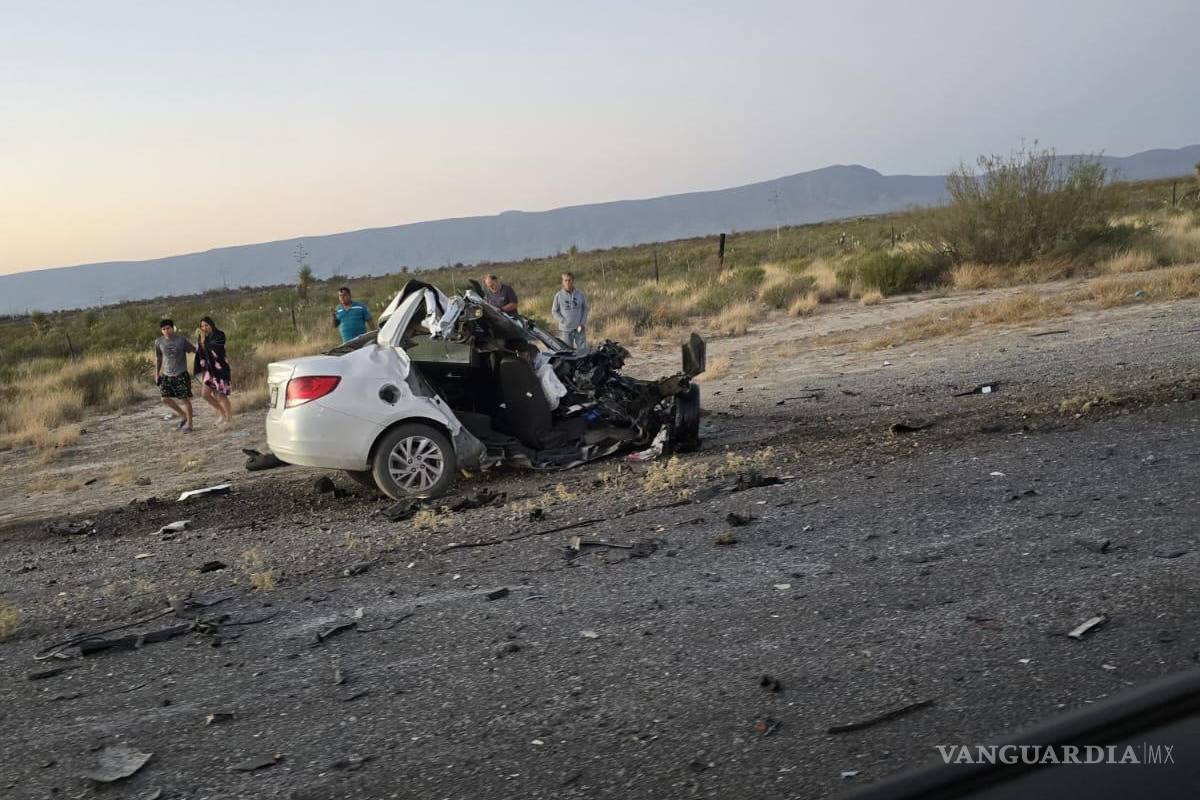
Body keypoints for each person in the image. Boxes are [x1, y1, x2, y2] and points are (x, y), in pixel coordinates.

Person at [154, 318, 196, 432]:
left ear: (172, 328)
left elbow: (194, 350)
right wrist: (157, 374)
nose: (166, 331)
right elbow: (158, 358)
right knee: (164, 399)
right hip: (166, 374)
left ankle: (190, 424)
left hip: (180, 373)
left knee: (184, 399)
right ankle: (183, 415)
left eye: (168, 328)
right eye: (163, 329)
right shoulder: (158, 342)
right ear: (161, 331)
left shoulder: (181, 340)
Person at [194, 316, 233, 426]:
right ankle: (222, 413)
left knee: (220, 395)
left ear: (211, 325)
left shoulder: (220, 335)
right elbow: (200, 353)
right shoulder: (201, 338)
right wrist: (201, 340)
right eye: (202, 326)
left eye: (206, 325)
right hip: (208, 370)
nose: (204, 328)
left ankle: (229, 419)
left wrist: (203, 341)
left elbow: (214, 348)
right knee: (205, 394)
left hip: (220, 369)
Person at [551, 272, 589, 350]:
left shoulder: (580, 294)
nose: (567, 282)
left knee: (582, 350)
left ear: (573, 281)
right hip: (566, 329)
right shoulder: (558, 295)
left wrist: (582, 323)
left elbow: (585, 308)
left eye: (569, 280)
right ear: (562, 282)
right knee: (568, 352)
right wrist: (562, 320)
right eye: (565, 280)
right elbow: (554, 311)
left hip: (579, 328)